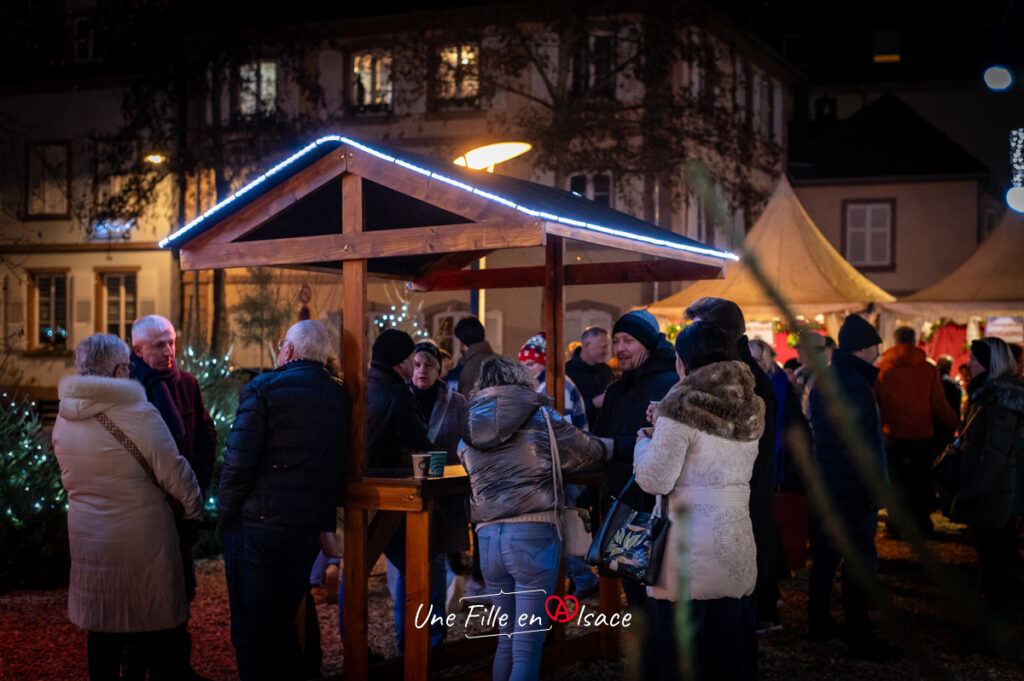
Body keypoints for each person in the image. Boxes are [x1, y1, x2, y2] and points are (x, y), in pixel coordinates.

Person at [53, 333, 203, 681]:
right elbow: (175, 474)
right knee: (151, 622)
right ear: (120, 370)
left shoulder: (64, 415)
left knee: (101, 628)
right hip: (142, 538)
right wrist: (194, 511)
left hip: (88, 535)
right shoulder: (139, 414)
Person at [459, 356, 606, 681]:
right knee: (527, 646)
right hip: (533, 534)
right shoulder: (542, 416)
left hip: (487, 538)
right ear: (521, 380)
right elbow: (589, 453)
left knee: (506, 638)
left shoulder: (469, 427)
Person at [219, 320, 349, 681]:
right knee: (283, 621)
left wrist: (225, 516)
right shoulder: (338, 395)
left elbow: (238, 462)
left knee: (252, 629)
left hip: (258, 524)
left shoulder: (263, 389)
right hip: (305, 526)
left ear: (287, 350)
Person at [635, 322, 765, 681]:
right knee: (727, 651)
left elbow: (654, 479)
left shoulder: (679, 404)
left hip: (687, 544)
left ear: (683, 360)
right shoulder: (750, 404)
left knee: (682, 656)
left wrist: (644, 441)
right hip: (734, 537)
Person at [125, 315, 217, 680]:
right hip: (144, 511)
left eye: (171, 342)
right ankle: (139, 668)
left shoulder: (187, 384)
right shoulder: (128, 389)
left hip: (182, 508)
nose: (168, 351)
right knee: (144, 594)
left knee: (181, 589)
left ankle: (176, 669)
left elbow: (205, 435)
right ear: (138, 350)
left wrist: (195, 483)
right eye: (159, 345)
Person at [806, 314, 900, 661]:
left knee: (827, 557)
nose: (878, 353)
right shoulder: (853, 384)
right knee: (860, 565)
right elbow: (861, 446)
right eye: (875, 346)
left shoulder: (829, 379)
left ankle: (819, 623)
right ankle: (860, 636)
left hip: (831, 484)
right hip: (852, 489)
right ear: (862, 349)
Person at [684, 297, 779, 631]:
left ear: (720, 333)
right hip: (732, 506)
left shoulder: (742, 381)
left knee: (731, 618)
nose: (691, 337)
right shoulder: (729, 374)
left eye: (697, 329)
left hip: (737, 507)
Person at [592, 309, 680, 612]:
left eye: (628, 340)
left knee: (658, 597)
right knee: (634, 595)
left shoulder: (671, 385)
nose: (620, 348)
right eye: (616, 340)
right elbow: (601, 435)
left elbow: (669, 442)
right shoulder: (617, 390)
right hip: (622, 506)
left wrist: (615, 447)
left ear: (647, 343)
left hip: (653, 508)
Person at [365, 329, 439, 651]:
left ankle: (355, 648)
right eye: (411, 358)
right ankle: (413, 649)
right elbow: (419, 444)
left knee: (355, 569)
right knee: (415, 567)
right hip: (392, 495)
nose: (414, 364)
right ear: (400, 361)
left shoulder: (360, 386)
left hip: (358, 491)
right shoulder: (398, 394)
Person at [518, 332, 597, 597]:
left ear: (543, 363)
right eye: (522, 364)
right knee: (559, 528)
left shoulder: (556, 388)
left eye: (530, 364)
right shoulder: (538, 388)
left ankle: (579, 580)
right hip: (555, 470)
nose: (525, 369)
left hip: (567, 470)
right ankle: (576, 580)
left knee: (560, 529)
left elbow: (561, 437)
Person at [950, 338, 1024, 621]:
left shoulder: (1000, 399)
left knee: (993, 555)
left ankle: (996, 618)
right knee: (990, 552)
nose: (969, 364)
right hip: (987, 485)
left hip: (991, 488)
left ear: (990, 363)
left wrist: (975, 489)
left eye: (975, 360)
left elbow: (995, 452)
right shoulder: (987, 393)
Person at [874, 326, 958, 535]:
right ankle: (922, 522)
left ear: (895, 341)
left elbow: (875, 403)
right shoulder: (928, 368)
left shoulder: (882, 367)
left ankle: (895, 523)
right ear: (915, 340)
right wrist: (956, 422)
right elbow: (938, 404)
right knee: (920, 482)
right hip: (921, 434)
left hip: (891, 434)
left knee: (895, 481)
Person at [566, 326, 615, 426]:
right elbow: (563, 410)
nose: (607, 352)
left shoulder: (607, 370)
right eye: (603, 347)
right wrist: (593, 403)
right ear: (587, 345)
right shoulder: (567, 372)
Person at [454, 316, 496, 397]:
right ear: (484, 337)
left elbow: (467, 401)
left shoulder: (468, 368)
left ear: (461, 344)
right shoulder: (503, 362)